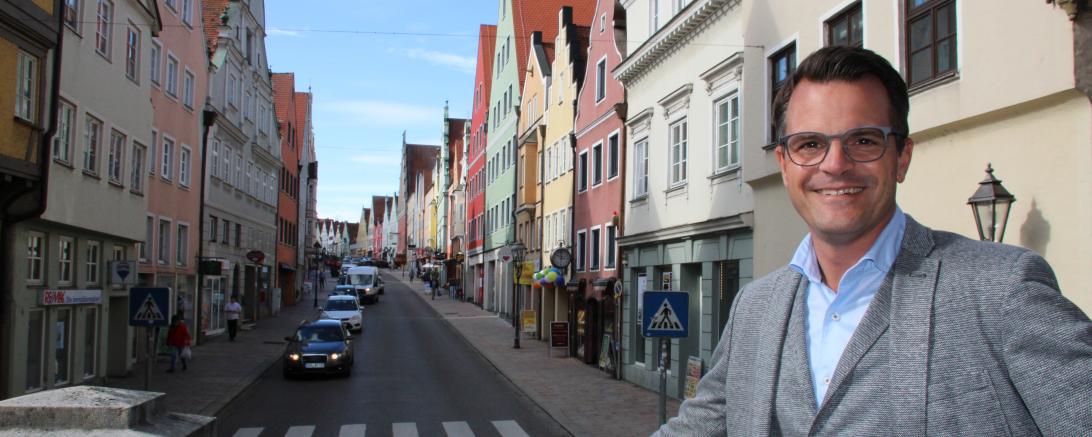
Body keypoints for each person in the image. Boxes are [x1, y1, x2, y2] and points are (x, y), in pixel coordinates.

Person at [654, 46, 1092, 436]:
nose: (836, 164)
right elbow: (698, 426)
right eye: (810, 144)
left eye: (863, 140)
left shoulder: (1002, 290)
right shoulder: (754, 308)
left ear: (902, 158)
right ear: (785, 165)